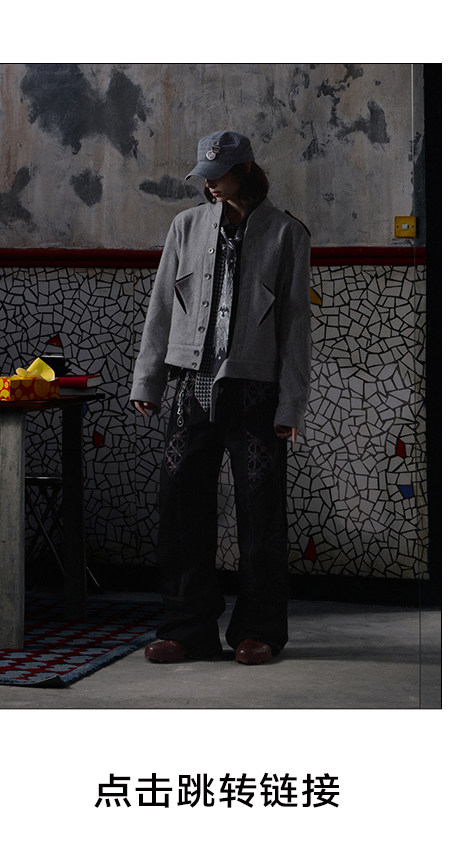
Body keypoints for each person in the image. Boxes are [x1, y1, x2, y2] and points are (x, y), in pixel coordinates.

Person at [131, 130, 311, 665]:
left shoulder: (287, 233)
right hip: (190, 387)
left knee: (261, 513)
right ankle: (187, 629)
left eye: (219, 174)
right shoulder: (185, 227)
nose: (209, 183)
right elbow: (162, 306)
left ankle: (259, 630)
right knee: (180, 506)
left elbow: (295, 326)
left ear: (245, 171)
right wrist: (148, 380)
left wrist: (291, 404)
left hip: (256, 394)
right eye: (204, 175)